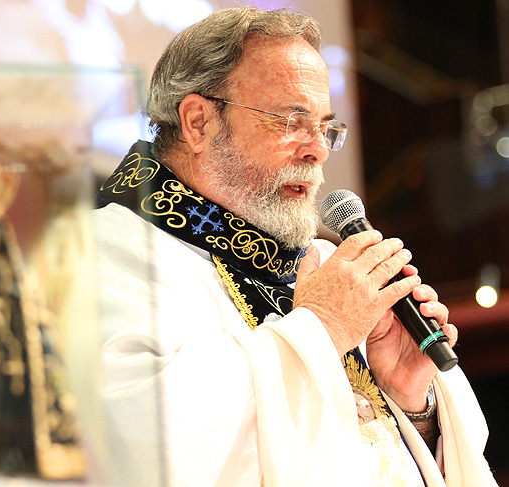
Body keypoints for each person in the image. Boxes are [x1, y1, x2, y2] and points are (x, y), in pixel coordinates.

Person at [94, 6, 497, 486]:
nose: (318, 149)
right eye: (290, 121)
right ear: (198, 122)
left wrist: (414, 405)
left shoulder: (325, 267)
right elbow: (139, 443)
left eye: (326, 127)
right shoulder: (103, 256)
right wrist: (321, 329)